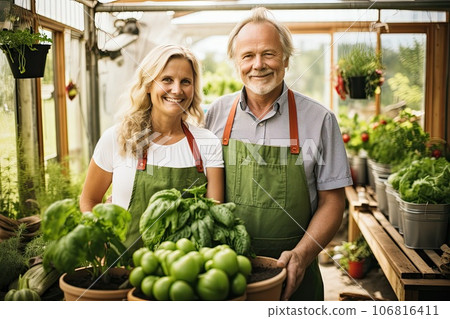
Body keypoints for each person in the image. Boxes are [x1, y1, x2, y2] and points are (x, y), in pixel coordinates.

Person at [205, 7, 352, 301]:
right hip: (223, 273)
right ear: (236, 63)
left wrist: (302, 254)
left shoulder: (320, 120)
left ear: (286, 59)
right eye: (247, 55)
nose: (258, 65)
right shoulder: (214, 115)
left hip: (295, 275)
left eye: (268, 53)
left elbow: (333, 201)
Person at [80, 44, 224, 250]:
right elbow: (89, 199)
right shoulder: (117, 138)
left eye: (186, 82)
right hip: (124, 270)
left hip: (188, 271)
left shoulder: (207, 143)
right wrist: (99, 240)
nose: (177, 89)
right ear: (148, 85)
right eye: (166, 79)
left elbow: (214, 215)